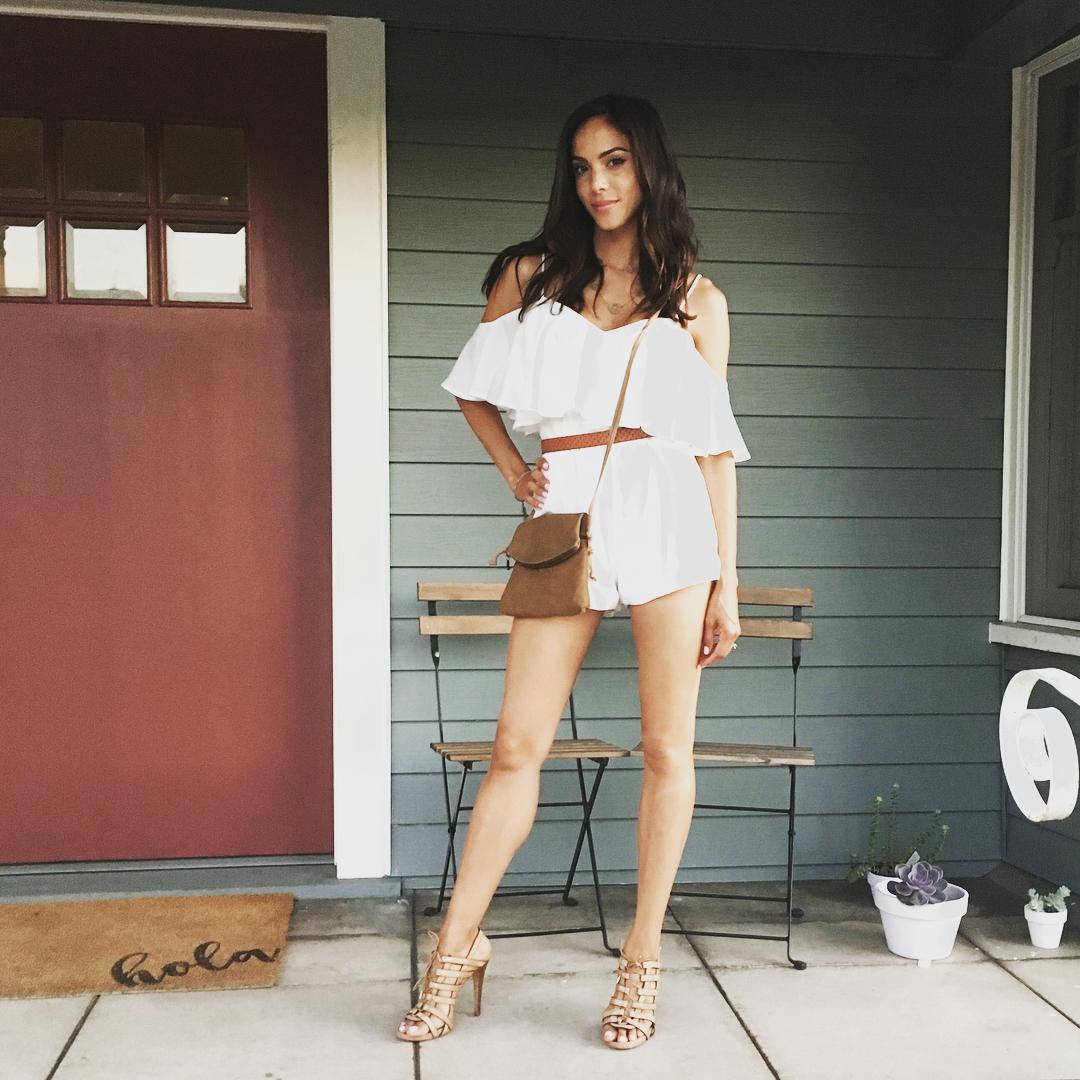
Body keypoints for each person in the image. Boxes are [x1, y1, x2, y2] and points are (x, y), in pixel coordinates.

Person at [396, 92, 750, 1050]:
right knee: (517, 745)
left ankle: (641, 960)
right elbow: (472, 389)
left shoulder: (699, 301)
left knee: (666, 750)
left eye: (617, 161)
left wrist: (728, 581)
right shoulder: (532, 276)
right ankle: (455, 949)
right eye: (584, 165)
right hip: (567, 514)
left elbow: (714, 450)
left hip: (669, 514)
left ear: (650, 167)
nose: (599, 182)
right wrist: (516, 472)